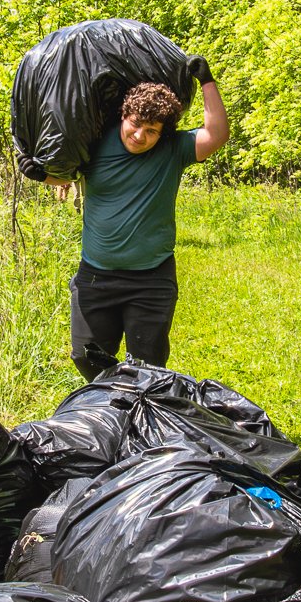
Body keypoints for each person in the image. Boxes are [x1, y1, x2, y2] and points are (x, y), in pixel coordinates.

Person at [48, 66, 229, 381]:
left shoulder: (173, 149)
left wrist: (207, 82)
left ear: (163, 133)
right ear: (123, 115)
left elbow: (217, 134)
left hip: (151, 280)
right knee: (86, 356)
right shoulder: (93, 143)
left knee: (147, 369)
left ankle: (136, 406)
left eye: (151, 131)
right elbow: (60, 172)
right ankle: (112, 401)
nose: (140, 136)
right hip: (96, 276)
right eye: (135, 124)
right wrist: (36, 170)